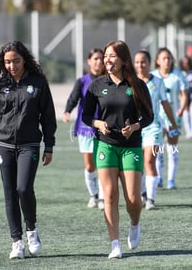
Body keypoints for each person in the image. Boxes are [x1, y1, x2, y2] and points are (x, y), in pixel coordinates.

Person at [0, 41, 57, 259]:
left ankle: (32, 230)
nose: (12, 65)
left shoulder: (38, 83)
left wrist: (49, 145)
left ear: (24, 59)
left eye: (16, 61)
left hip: (29, 145)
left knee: (23, 188)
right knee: (9, 194)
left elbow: (48, 117)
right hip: (4, 146)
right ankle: (17, 242)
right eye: (7, 62)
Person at [82, 40, 153, 259]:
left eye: (112, 56)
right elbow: (85, 116)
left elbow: (149, 117)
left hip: (130, 146)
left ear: (123, 59)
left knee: (133, 198)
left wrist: (134, 127)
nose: (107, 60)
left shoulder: (137, 85)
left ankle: (134, 223)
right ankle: (115, 243)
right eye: (105, 56)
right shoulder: (97, 85)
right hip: (105, 144)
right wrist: (97, 124)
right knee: (110, 195)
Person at [134, 50, 179, 210]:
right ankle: (144, 193)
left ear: (149, 62)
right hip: (134, 129)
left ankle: (151, 200)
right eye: (137, 62)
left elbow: (165, 103)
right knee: (137, 164)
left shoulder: (158, 82)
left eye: (143, 61)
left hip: (153, 127)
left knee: (149, 161)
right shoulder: (128, 82)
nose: (140, 65)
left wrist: (173, 123)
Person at [63, 48, 105, 210]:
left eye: (101, 58)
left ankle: (102, 197)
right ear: (89, 61)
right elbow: (74, 97)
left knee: (101, 162)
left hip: (103, 127)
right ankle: (93, 195)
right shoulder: (82, 81)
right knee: (90, 165)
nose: (98, 62)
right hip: (86, 127)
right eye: (95, 58)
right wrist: (67, 111)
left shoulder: (108, 80)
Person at [152, 48, 188, 190]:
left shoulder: (178, 75)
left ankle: (171, 179)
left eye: (169, 58)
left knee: (172, 148)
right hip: (157, 117)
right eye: (164, 58)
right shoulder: (153, 76)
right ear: (157, 61)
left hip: (174, 117)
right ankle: (159, 177)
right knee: (158, 148)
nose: (167, 61)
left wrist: (182, 108)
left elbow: (184, 94)